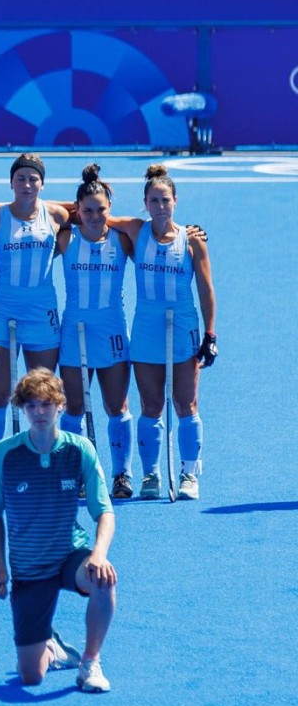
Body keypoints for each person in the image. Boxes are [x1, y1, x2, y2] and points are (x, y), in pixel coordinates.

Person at [0, 367, 117, 693]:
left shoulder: (80, 449)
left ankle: (90, 661)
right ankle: (52, 648)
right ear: (23, 409)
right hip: (29, 569)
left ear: (60, 406)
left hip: (70, 555)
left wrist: (99, 554)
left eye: (46, 404)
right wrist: (1, 569)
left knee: (104, 578)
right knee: (31, 677)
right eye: (31, 406)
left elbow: (104, 511)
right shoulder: (3, 454)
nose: (39, 412)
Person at [109, 164, 216, 501]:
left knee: (186, 402)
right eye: (153, 201)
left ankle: (189, 473)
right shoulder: (136, 232)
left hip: (183, 327)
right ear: (145, 203)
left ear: (175, 202)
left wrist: (210, 336)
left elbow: (206, 290)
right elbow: (92, 215)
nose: (160, 206)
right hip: (146, 329)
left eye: (165, 200)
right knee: (151, 404)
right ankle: (152, 474)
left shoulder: (192, 241)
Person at [0, 154, 71, 456]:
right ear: (11, 183)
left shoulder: (57, 215)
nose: (27, 184)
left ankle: (46, 453)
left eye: (33, 179)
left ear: (42, 184)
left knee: (43, 392)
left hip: (41, 311)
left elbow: (93, 214)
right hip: (3, 308)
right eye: (21, 178)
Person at [58, 165, 136, 499]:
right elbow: (38, 213)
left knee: (117, 406)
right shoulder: (65, 238)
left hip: (112, 330)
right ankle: (76, 473)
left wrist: (189, 233)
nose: (94, 216)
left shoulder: (123, 240)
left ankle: (122, 474)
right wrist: (71, 213)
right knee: (74, 408)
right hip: (74, 331)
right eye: (86, 210)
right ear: (77, 211)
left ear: (110, 210)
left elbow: (158, 234)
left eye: (101, 210)